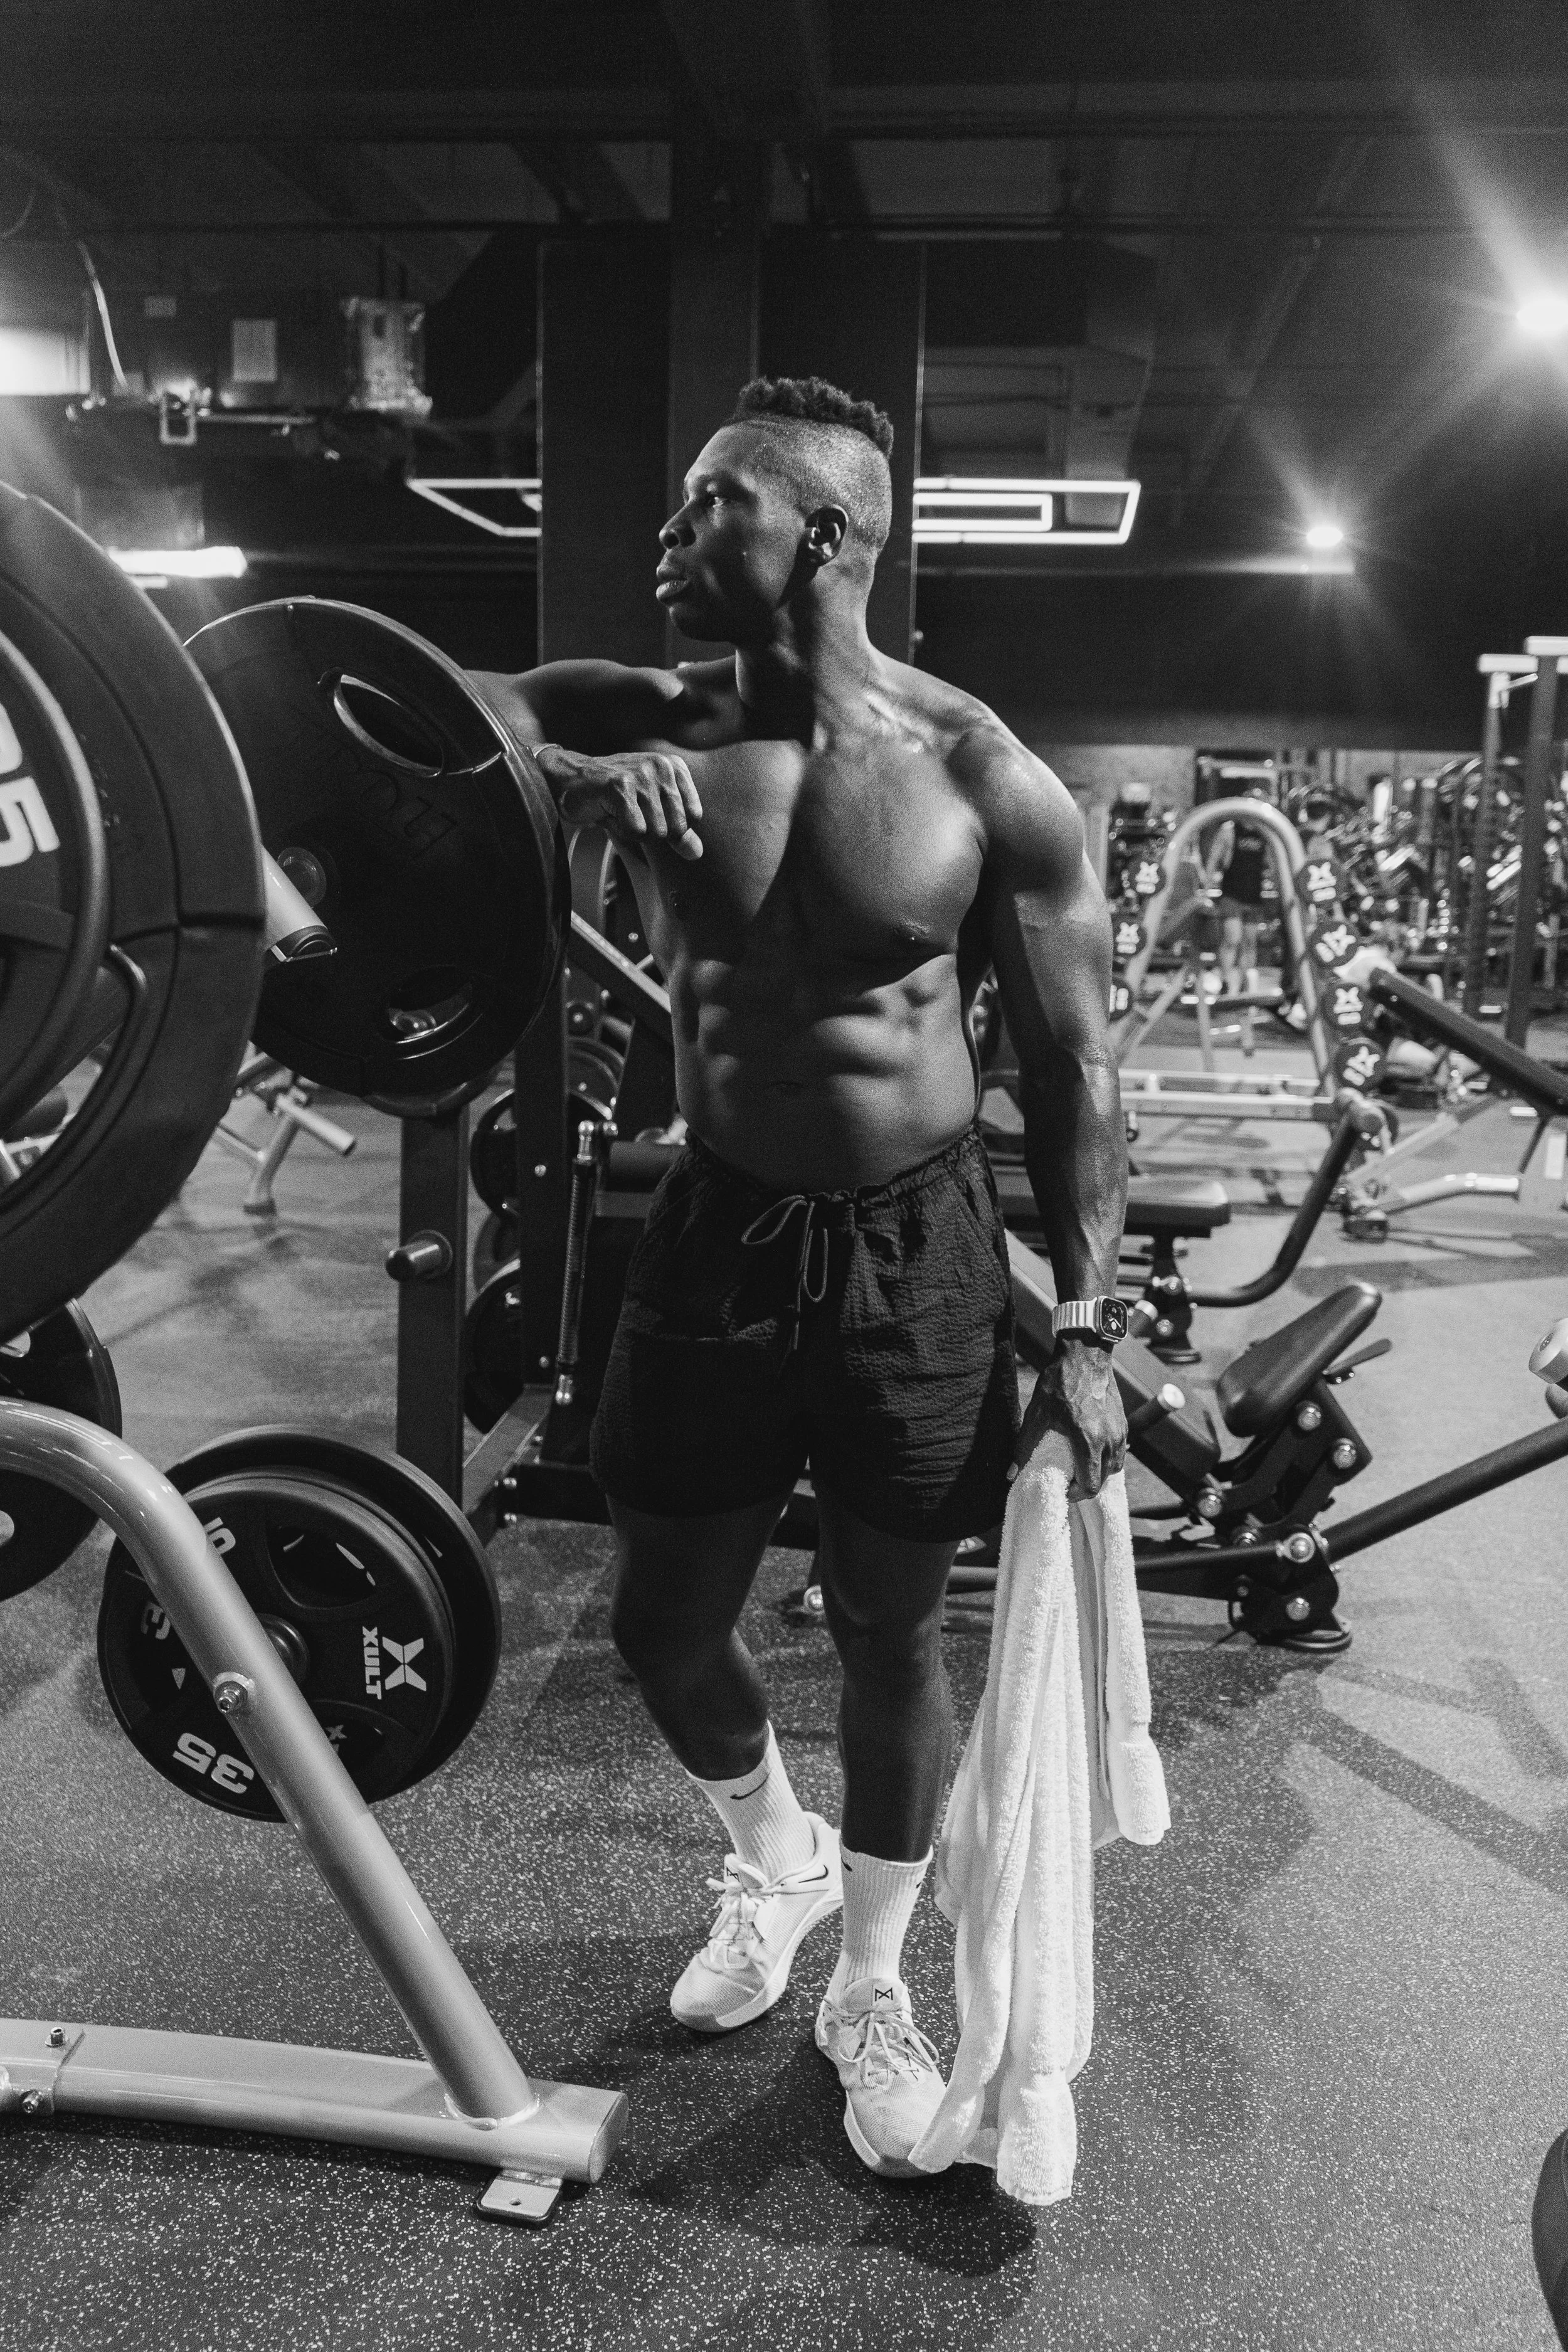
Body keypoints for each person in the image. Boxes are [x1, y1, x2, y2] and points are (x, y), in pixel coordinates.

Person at [474, 374, 1128, 2179]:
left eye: (710, 510)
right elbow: (392, 712)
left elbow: (1076, 1068)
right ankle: (770, 1858)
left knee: (888, 1628)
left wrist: (1083, 1316)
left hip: (914, 1248)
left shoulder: (979, 773)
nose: (668, 539)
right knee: (657, 1623)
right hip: (714, 1231)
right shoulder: (639, 710)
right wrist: (572, 772)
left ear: (824, 538)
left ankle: (866, 1975)